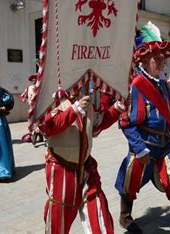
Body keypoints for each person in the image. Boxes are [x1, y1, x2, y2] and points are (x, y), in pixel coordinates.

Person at [115, 22, 170, 234]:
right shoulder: (135, 85)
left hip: (165, 145)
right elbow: (126, 122)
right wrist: (138, 149)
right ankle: (125, 218)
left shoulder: (161, 83)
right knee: (130, 183)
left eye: (163, 57)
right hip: (144, 147)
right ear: (144, 59)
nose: (162, 61)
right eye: (156, 58)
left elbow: (169, 111)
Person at [38, 86, 125, 234]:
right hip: (62, 169)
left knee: (99, 215)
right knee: (59, 222)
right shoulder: (53, 98)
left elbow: (96, 127)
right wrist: (74, 109)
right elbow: (47, 127)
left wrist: (117, 108)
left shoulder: (87, 98)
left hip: (86, 168)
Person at [20, 74, 44, 144]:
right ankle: (34, 135)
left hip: (40, 108)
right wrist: (24, 99)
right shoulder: (29, 88)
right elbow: (22, 96)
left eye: (37, 79)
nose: (35, 81)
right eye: (34, 79)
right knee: (32, 122)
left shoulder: (42, 88)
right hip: (31, 109)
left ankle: (40, 136)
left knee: (40, 123)